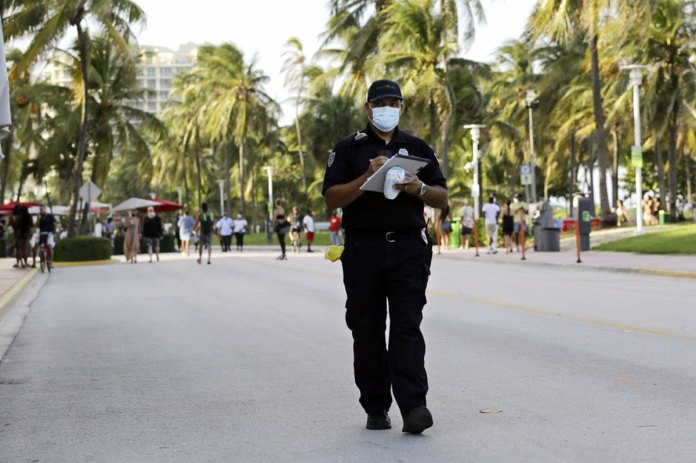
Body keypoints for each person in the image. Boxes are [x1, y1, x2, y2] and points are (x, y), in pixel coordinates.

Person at [322, 79, 448, 434]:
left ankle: (414, 408)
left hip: (409, 247)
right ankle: (376, 406)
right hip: (364, 249)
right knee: (367, 329)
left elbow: (441, 196)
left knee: (407, 326)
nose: (387, 108)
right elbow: (332, 198)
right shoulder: (349, 148)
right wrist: (367, 174)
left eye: (393, 102)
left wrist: (418, 187)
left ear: (402, 107)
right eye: (380, 103)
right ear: (368, 108)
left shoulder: (416, 148)